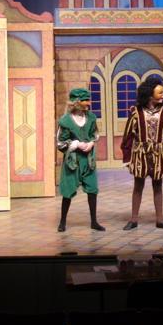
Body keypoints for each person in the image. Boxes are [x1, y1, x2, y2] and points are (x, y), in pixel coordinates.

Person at [121, 76, 163, 230]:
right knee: (138, 186)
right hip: (141, 154)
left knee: (158, 186)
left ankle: (160, 220)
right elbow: (128, 136)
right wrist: (127, 157)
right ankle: (133, 219)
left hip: (159, 154)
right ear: (150, 94)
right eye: (160, 93)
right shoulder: (136, 112)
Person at [56, 88, 105, 232]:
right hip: (73, 160)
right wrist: (76, 144)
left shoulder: (91, 118)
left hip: (88, 160)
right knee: (68, 190)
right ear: (77, 102)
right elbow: (60, 142)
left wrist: (91, 143)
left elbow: (94, 134)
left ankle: (94, 221)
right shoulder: (66, 121)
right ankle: (62, 222)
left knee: (92, 189)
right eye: (85, 100)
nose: (89, 103)